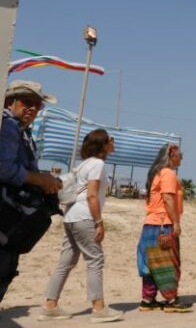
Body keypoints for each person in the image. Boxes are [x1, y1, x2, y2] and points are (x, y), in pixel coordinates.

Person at [40, 129, 123, 323]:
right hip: (85, 216)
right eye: (110, 139)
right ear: (102, 144)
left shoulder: (83, 164)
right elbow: (92, 195)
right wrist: (99, 222)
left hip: (71, 216)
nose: (113, 142)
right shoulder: (97, 164)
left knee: (66, 262)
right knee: (95, 259)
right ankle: (98, 308)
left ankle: (50, 305)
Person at [0, 81, 62, 303]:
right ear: (10, 101)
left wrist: (46, 180)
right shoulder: (9, 125)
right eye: (28, 102)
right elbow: (4, 169)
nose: (33, 108)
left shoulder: (22, 130)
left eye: (38, 105)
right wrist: (41, 180)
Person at [136, 143, 191, 313]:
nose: (182, 158)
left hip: (150, 224)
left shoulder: (157, 173)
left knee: (151, 263)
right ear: (172, 155)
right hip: (163, 224)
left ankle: (148, 299)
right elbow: (167, 198)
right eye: (180, 155)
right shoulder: (168, 173)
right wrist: (176, 222)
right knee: (167, 262)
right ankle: (171, 300)